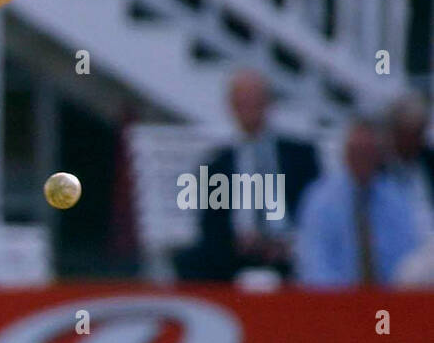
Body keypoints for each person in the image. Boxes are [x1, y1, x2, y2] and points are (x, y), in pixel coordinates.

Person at [174, 69, 320, 281]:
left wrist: (288, 242)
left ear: (269, 103)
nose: (250, 109)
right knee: (192, 262)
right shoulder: (217, 165)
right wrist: (238, 242)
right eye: (242, 102)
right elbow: (210, 225)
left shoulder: (300, 156)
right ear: (231, 107)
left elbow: (315, 211)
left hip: (291, 249)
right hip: (236, 252)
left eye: (256, 101)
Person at [295, 118, 421, 287]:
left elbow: (408, 256)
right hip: (335, 301)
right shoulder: (320, 200)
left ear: (379, 155)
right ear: (345, 154)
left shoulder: (396, 198)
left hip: (389, 302)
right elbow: (314, 262)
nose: (363, 158)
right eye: (357, 152)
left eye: (368, 152)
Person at [385, 93, 434, 239]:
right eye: (409, 133)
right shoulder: (379, 167)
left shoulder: (429, 162)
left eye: (419, 133)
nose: (415, 140)